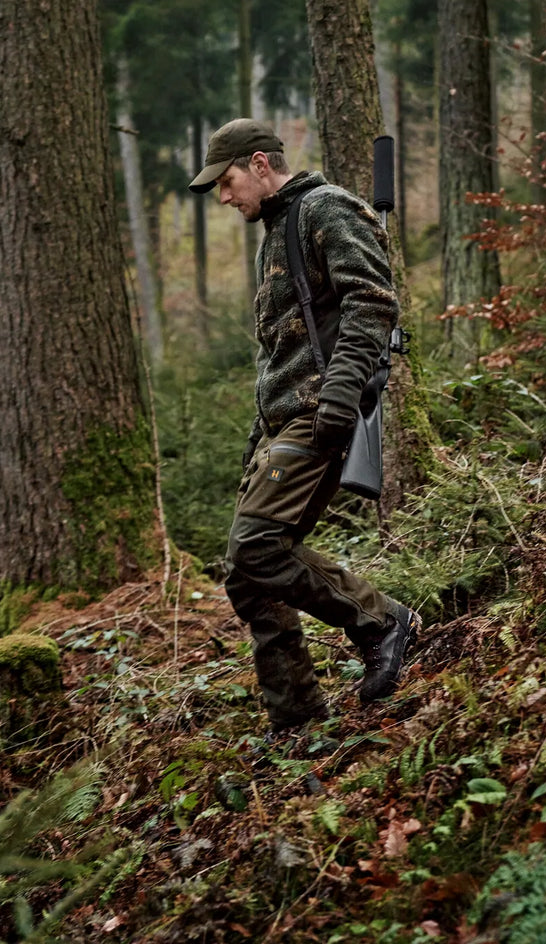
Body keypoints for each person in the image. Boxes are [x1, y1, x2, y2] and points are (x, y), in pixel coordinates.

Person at [189, 118, 420, 735]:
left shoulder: (326, 209)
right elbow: (280, 354)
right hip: (282, 419)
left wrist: (340, 397)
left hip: (318, 412)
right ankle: (296, 718)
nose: (225, 196)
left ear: (261, 164)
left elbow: (372, 303)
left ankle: (380, 620)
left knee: (257, 548)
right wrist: (254, 441)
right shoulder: (274, 233)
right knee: (246, 573)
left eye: (229, 181)